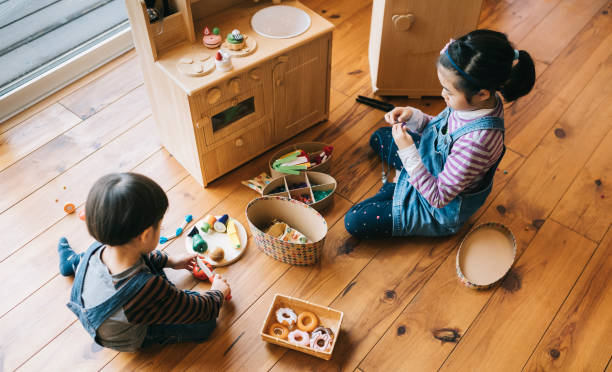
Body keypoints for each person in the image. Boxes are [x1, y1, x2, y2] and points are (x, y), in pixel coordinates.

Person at [345, 30, 535, 238]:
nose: (442, 94)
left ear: (482, 93)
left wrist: (408, 151)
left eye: (449, 91)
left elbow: (438, 198)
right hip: (432, 165)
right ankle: (402, 184)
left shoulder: (477, 143)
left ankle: (399, 187)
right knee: (380, 137)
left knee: (354, 219)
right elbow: (440, 129)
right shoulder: (478, 103)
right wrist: (413, 116)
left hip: (435, 208)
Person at [57, 172, 231, 351]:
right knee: (206, 324)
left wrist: (170, 261)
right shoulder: (150, 288)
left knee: (145, 273)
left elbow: (142, 255)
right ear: (147, 234)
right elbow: (198, 310)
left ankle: (73, 262)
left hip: (99, 304)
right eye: (160, 227)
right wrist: (218, 292)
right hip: (123, 335)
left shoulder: (101, 246)